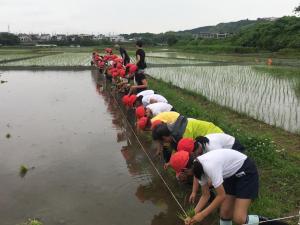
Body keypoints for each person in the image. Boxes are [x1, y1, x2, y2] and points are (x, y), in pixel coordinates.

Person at [184, 149, 268, 225]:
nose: (180, 176)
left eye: (182, 173)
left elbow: (221, 196)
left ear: (186, 169)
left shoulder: (209, 166)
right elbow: (205, 195)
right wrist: (192, 214)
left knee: (239, 219)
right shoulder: (197, 169)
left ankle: (271, 221)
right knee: (225, 214)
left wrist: (202, 215)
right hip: (231, 174)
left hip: (245, 170)